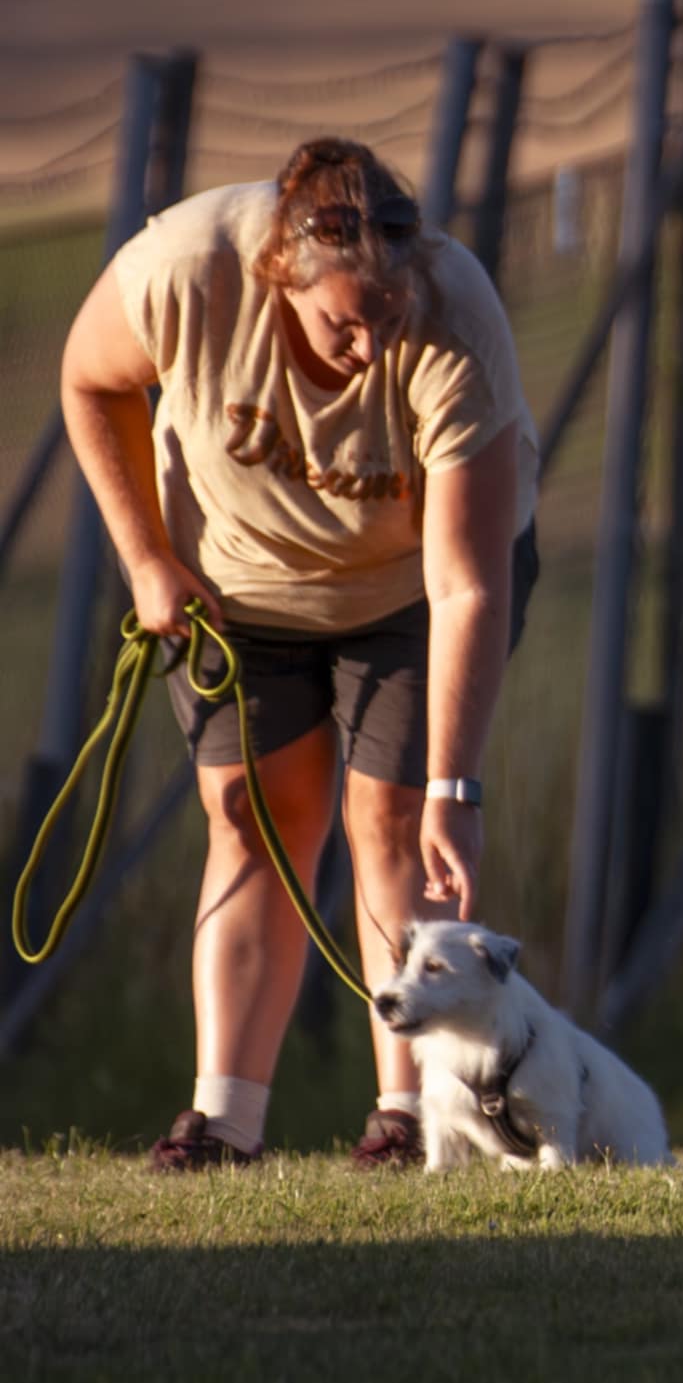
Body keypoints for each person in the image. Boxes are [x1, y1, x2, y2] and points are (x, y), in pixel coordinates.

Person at [58, 137, 540, 1169]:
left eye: (387, 320)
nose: (368, 349)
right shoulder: (184, 269)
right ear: (281, 272)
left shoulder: (455, 317)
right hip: (236, 588)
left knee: (394, 821)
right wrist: (146, 560)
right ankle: (223, 1122)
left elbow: (467, 582)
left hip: (412, 587)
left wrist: (455, 781)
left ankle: (413, 1118)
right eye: (342, 324)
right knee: (253, 818)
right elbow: (88, 382)